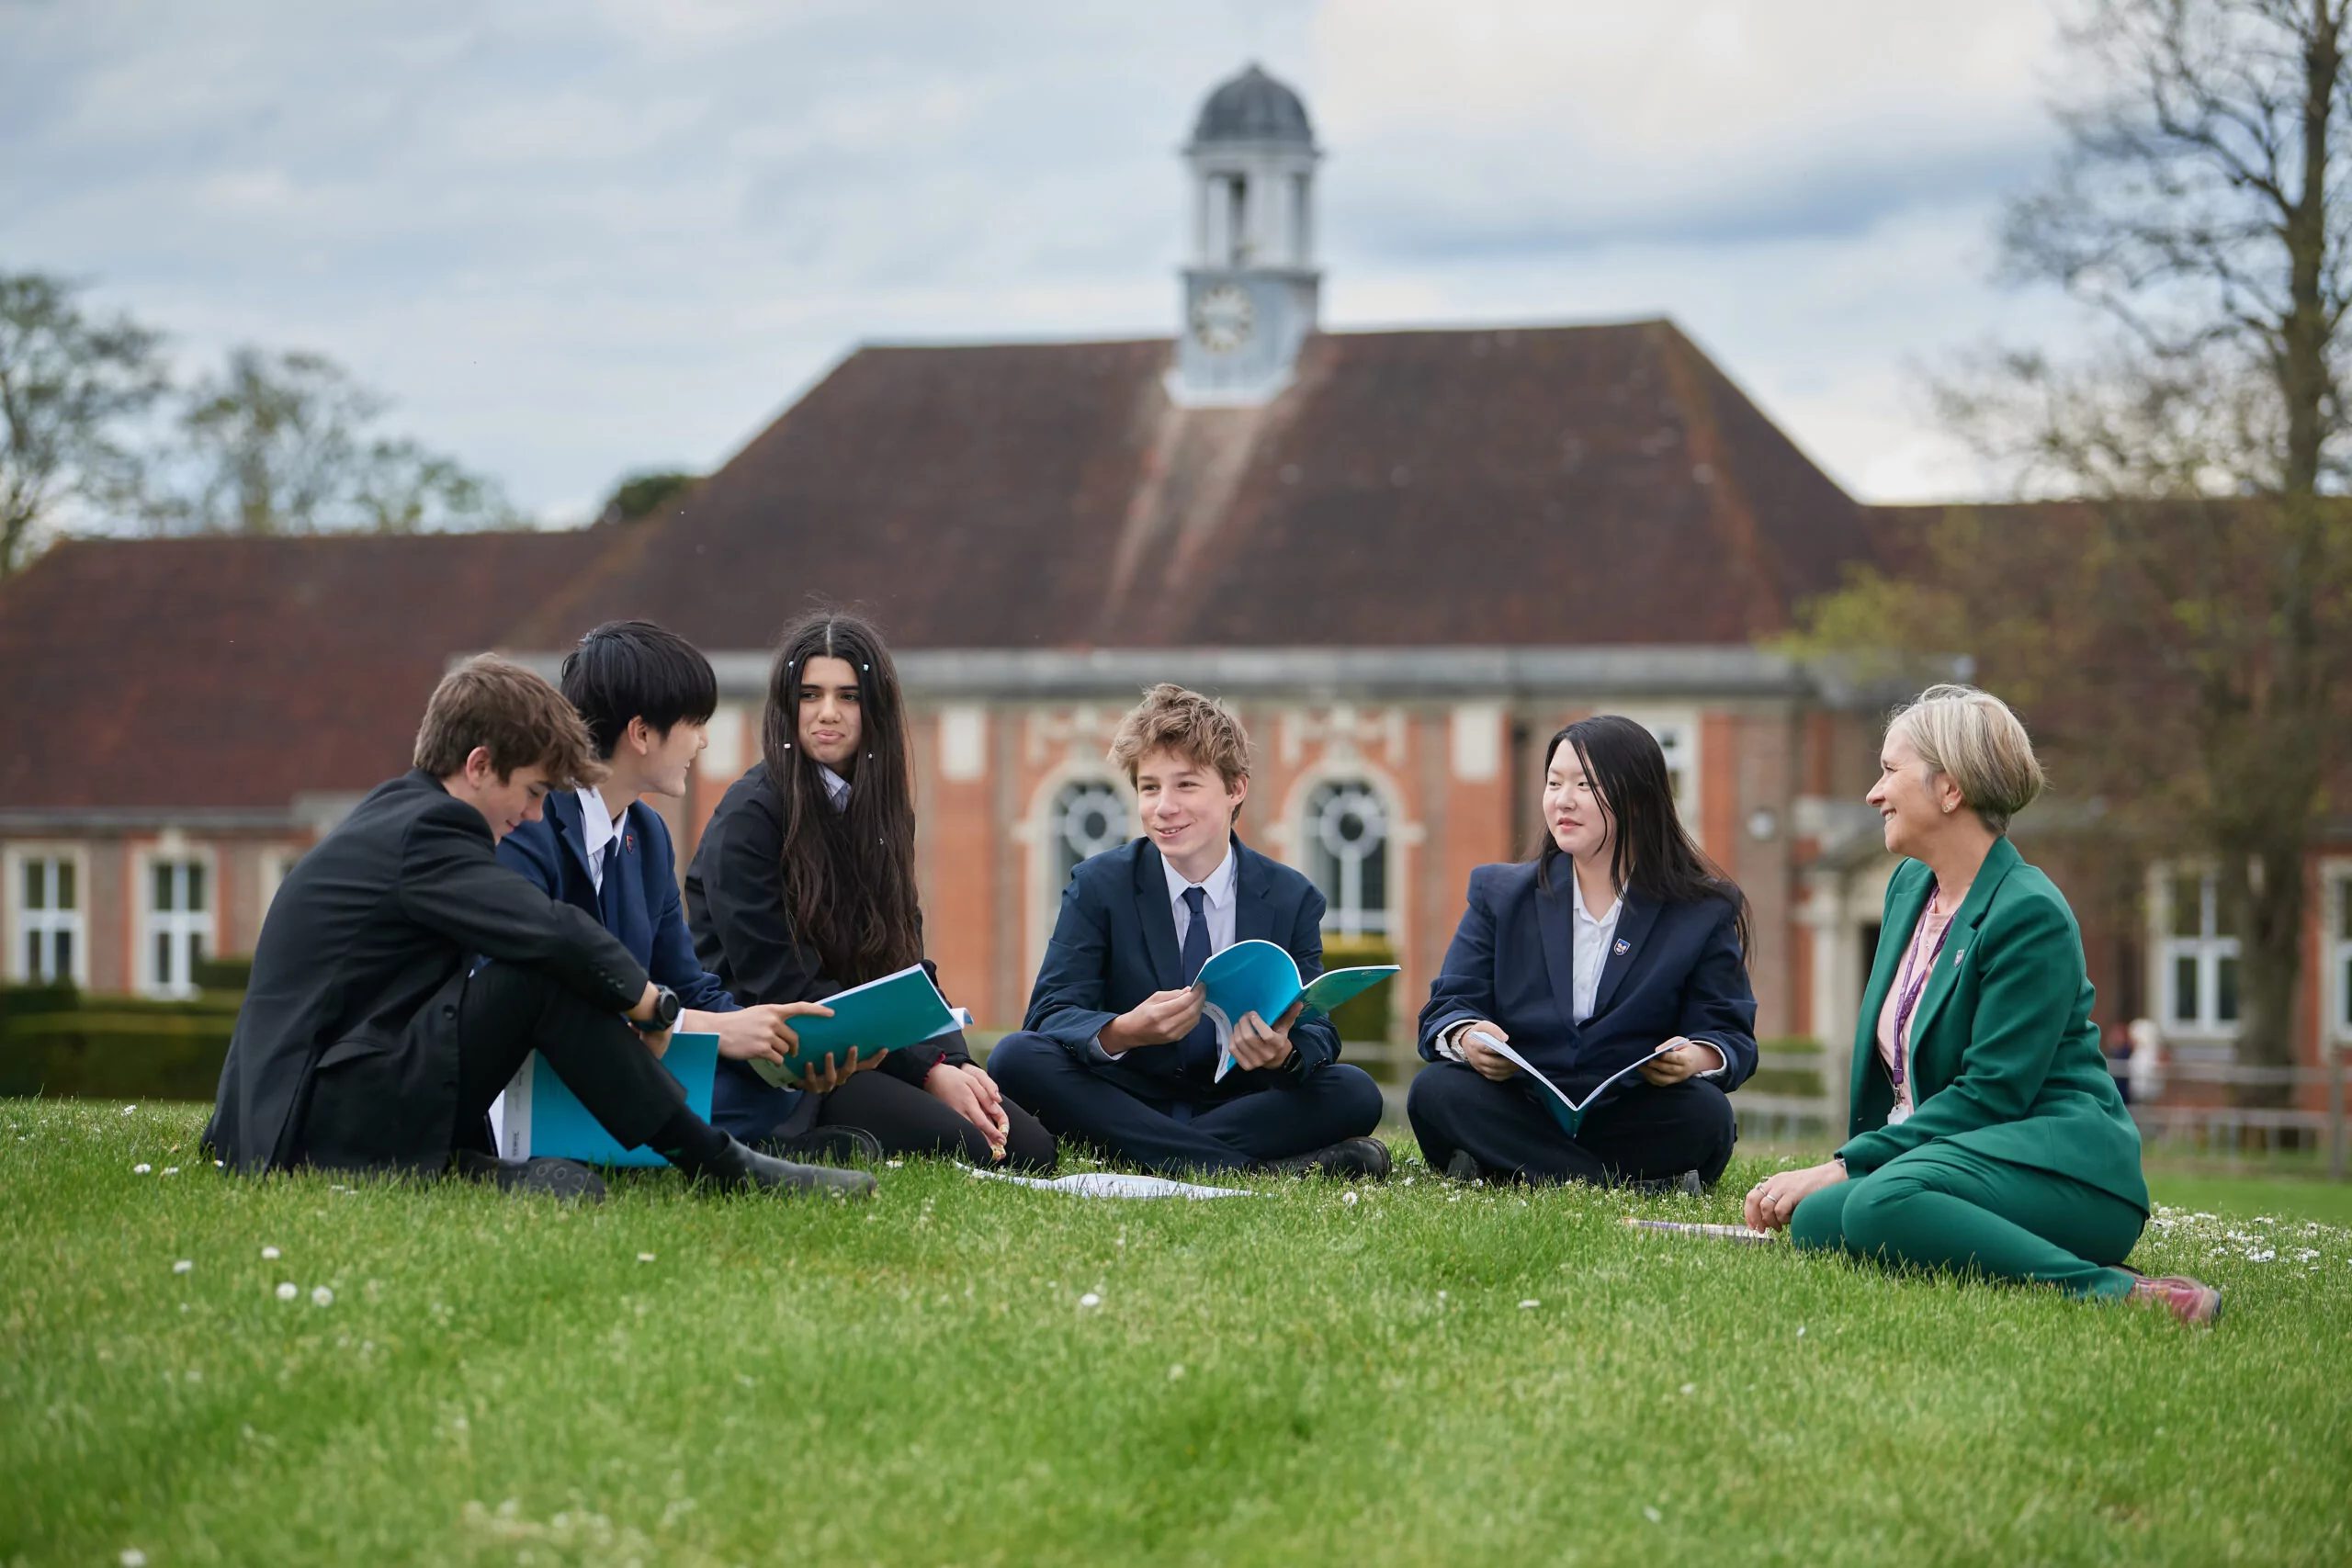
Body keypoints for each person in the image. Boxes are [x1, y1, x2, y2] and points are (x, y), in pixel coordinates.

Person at [203, 655, 874, 1201]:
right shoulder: (428, 831)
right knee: (539, 977)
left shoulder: (402, 817)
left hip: (343, 1095)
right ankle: (721, 1165)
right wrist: (652, 1005)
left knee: (541, 982)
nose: (529, 816)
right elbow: (549, 931)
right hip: (311, 1121)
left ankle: (480, 1170)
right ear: (477, 765)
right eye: (528, 791)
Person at [1743, 684, 2220, 1324]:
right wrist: (1841, 1175)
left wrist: (1843, 1165)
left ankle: (2133, 1295)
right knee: (1822, 1222)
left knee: (1873, 1205)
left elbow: (1991, 1094)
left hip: (2063, 1169)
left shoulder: (2030, 912)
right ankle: (2019, 1251)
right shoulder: (1910, 887)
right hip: (1955, 1158)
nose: (1873, 793)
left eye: (1888, 771)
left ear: (1950, 789)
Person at [685, 610, 1057, 1170]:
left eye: (848, 696)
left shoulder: (881, 811)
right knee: (975, 1147)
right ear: (788, 705)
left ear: (873, 706)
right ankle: (795, 1143)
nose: (827, 714)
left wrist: (955, 1062)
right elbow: (784, 983)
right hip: (789, 1068)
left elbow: (905, 958)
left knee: (1030, 1148)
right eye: (810, 695)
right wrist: (926, 1071)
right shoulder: (750, 817)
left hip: (869, 1053)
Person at [498, 620, 876, 1163]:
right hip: (537, 1071)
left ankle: (755, 1133)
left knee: (763, 1089)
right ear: (642, 733)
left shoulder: (646, 835)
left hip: (634, 1057)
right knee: (700, 1089)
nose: (703, 740)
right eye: (695, 723)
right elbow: (541, 990)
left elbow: (688, 985)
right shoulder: (530, 821)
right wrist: (715, 1029)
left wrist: (773, 1045)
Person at [986, 683, 1390, 1178]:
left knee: (1354, 1092)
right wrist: (1123, 1032)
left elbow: (1317, 1031)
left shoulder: (1292, 897)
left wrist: (1282, 1055)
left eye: (1186, 786)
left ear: (1236, 788)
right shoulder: (1098, 885)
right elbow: (1049, 1015)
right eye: (1150, 787)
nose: (1163, 807)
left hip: (1241, 1103)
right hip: (1125, 1097)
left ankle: (1160, 1157)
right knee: (1014, 1057)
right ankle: (1256, 1171)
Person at [1408, 716, 1756, 1189]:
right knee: (1436, 1092)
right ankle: (1610, 1182)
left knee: (1706, 1115)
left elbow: (1729, 1032)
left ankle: (1517, 1170)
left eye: (1584, 785)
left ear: (1637, 798)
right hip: (1521, 1103)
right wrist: (1469, 1037)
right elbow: (1447, 1007)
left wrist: (1695, 1057)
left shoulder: (1702, 910)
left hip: (1631, 1110)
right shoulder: (1499, 893)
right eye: (1553, 783)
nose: (1562, 800)